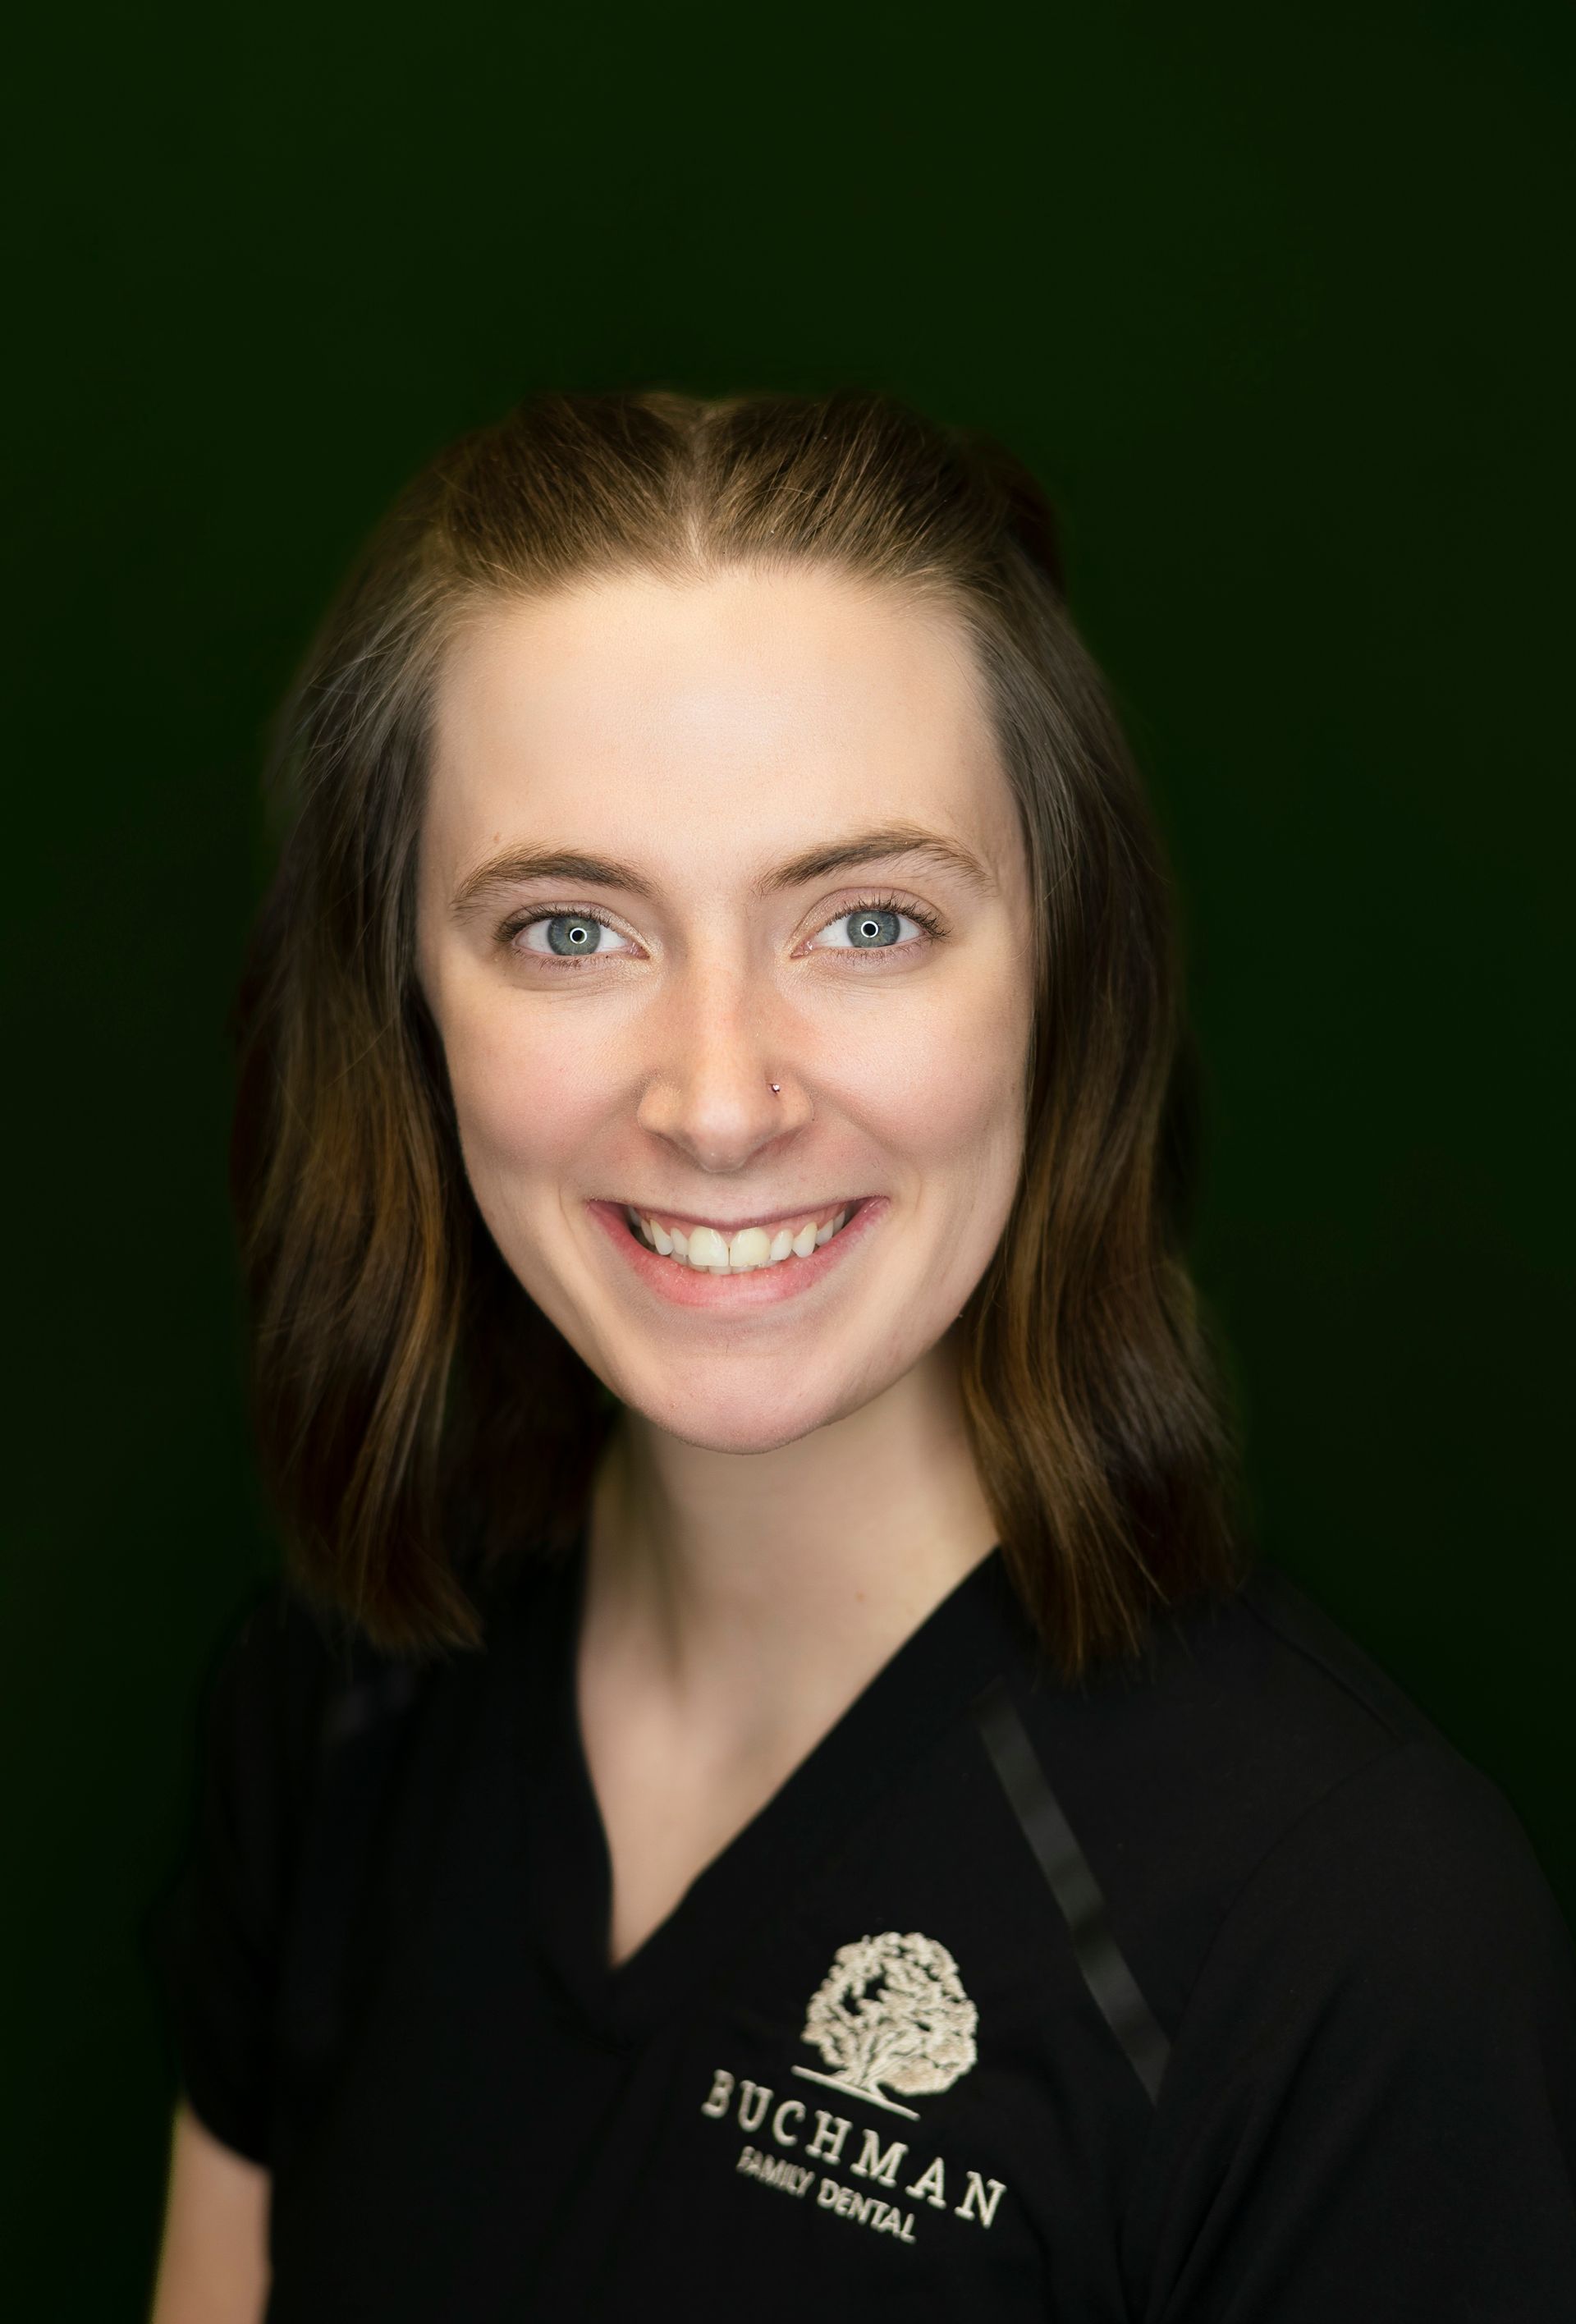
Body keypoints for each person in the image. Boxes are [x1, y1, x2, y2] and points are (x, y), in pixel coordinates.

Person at [148, 387, 1576, 2323]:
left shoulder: (1348, 1950)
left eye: (871, 921)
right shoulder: (331, 1722)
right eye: (570, 930)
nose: (719, 1100)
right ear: (401, 1000)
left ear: (1065, 982)